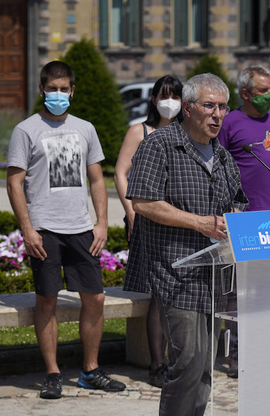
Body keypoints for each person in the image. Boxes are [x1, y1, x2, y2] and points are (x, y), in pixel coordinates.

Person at [125, 73, 248, 416]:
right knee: (188, 363)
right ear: (189, 106)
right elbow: (142, 201)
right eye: (210, 106)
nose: (217, 115)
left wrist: (239, 224)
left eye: (223, 107)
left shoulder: (223, 154)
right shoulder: (160, 145)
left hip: (216, 275)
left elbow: (238, 205)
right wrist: (201, 223)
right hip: (175, 270)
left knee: (205, 369)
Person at [6, 61, 125, 399]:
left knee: (96, 297)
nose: (57, 94)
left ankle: (90, 369)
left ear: (72, 90)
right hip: (44, 229)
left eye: (63, 89)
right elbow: (14, 183)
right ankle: (53, 373)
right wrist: (27, 229)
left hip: (79, 227)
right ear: (41, 90)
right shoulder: (26, 130)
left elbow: (97, 178)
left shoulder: (85, 128)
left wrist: (101, 222)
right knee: (47, 300)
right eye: (51, 88)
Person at [217, 64, 270, 377]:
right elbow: (215, 168)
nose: (269, 96)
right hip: (242, 218)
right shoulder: (229, 123)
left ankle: (266, 348)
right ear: (245, 93)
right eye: (263, 91)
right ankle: (236, 355)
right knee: (239, 294)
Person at [114, 75, 183, 388]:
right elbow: (121, 172)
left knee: (181, 291)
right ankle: (157, 362)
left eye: (175, 96)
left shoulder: (185, 132)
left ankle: (180, 359)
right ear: (154, 99)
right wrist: (131, 211)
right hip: (149, 219)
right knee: (159, 292)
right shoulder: (140, 130)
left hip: (181, 220)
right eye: (163, 95)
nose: (169, 102)